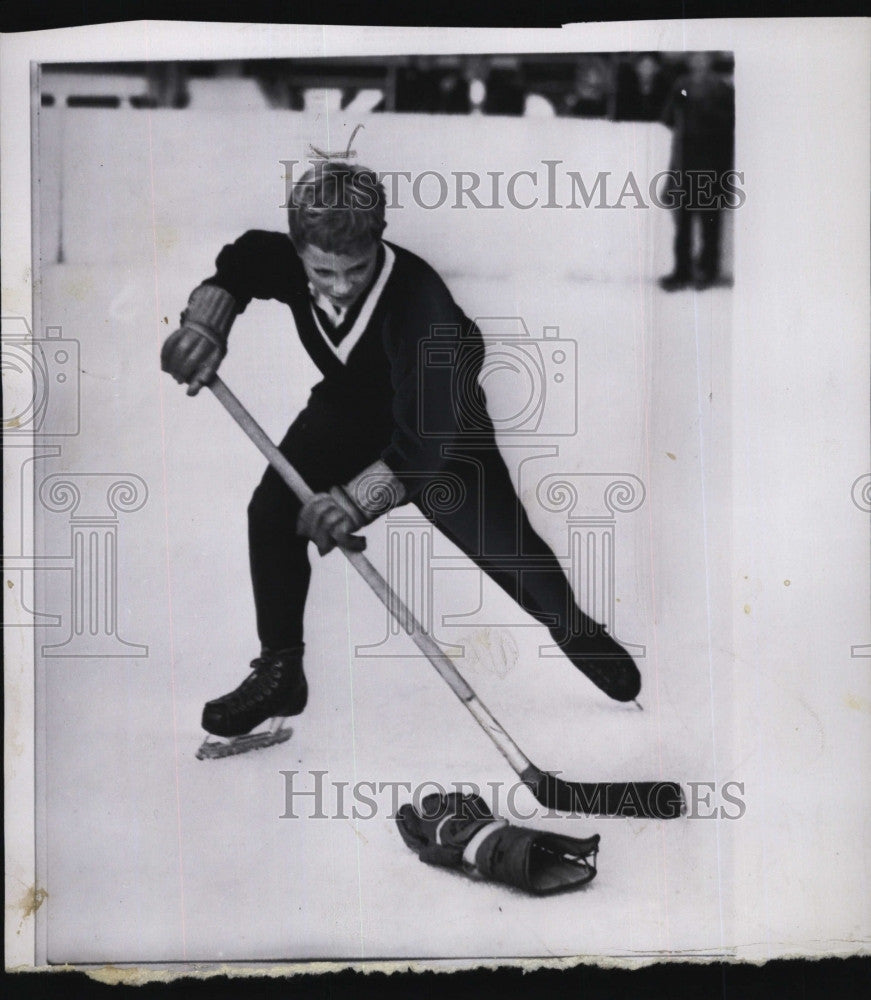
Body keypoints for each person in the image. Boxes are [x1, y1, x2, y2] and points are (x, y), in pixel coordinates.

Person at [161, 162, 641, 754]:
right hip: (352, 410)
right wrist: (206, 326)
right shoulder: (287, 257)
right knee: (272, 509)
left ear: (381, 233)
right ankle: (281, 672)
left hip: (444, 433)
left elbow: (424, 443)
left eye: (356, 269)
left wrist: (353, 503)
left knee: (512, 555)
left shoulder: (420, 302)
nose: (339, 286)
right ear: (300, 249)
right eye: (322, 272)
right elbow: (243, 262)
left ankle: (572, 627)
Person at [659, 53, 735, 291]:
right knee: (683, 224)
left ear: (710, 61)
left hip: (711, 162)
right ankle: (682, 271)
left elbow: (730, 121)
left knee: (709, 221)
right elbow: (669, 116)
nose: (699, 62)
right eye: (695, 58)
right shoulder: (682, 86)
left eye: (703, 57)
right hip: (685, 162)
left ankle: (707, 270)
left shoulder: (722, 89)